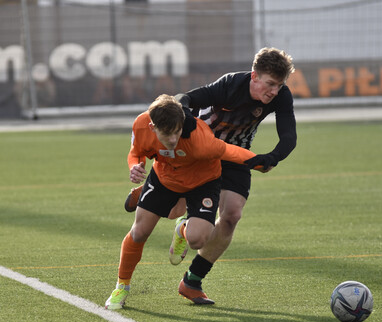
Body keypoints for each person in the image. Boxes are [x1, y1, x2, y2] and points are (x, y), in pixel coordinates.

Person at [123, 47, 297, 305]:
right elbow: (183, 98)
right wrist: (189, 122)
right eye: (270, 84)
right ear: (254, 77)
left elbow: (289, 136)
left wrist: (272, 158)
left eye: (279, 85)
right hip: (198, 154)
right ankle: (159, 196)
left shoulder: (281, 96)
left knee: (232, 216)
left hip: (234, 155)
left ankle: (192, 280)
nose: (273, 91)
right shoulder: (230, 85)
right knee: (171, 211)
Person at [105, 94, 269, 310]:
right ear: (153, 127)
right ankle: (122, 287)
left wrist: (261, 162)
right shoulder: (141, 125)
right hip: (164, 177)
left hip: (203, 182)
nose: (173, 139)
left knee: (198, 240)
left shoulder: (201, 139)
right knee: (139, 232)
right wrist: (135, 166)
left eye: (177, 132)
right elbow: (136, 152)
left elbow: (230, 152)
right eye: (166, 134)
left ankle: (183, 229)